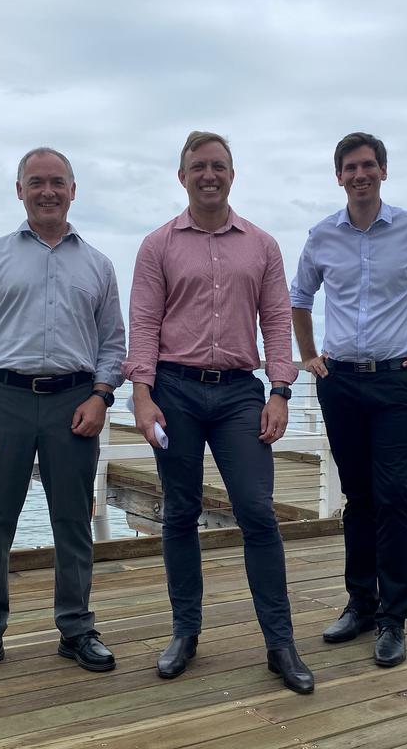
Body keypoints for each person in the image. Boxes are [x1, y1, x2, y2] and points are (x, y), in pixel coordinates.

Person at [123, 131, 314, 695]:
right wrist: (141, 392)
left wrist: (280, 389)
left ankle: (280, 642)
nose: (210, 175)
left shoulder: (262, 245)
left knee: (257, 512)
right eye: (199, 167)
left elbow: (277, 321)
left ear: (234, 175)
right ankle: (186, 631)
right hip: (175, 391)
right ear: (182, 177)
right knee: (180, 511)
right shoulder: (157, 246)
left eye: (220, 167)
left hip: (238, 393)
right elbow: (145, 323)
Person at [0, 147, 126, 681]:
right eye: (36, 182)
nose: (47, 191)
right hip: (4, 400)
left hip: (75, 402)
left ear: (74, 190)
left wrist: (100, 396)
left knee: (73, 519)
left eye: (57, 182)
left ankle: (76, 628)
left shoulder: (98, 264)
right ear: (18, 190)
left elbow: (113, 345)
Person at [290, 132, 407, 667]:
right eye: (350, 167)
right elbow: (299, 296)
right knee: (358, 497)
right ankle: (360, 603)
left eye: (368, 165)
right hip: (339, 381)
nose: (360, 175)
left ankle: (394, 617)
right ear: (338, 176)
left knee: (393, 495)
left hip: (395, 382)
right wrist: (309, 356)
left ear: (383, 172)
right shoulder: (322, 235)